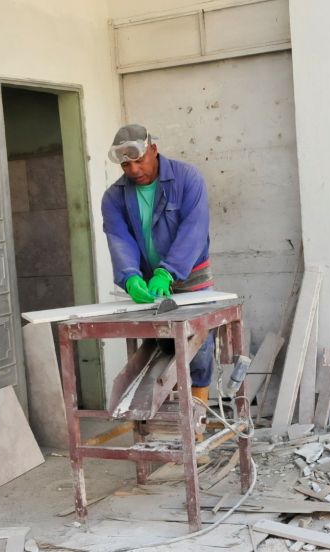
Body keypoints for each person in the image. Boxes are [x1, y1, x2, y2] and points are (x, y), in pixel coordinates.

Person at [101, 124, 214, 415]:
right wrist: (130, 276)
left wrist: (170, 270)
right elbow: (119, 239)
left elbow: (195, 228)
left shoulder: (187, 178)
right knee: (161, 348)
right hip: (149, 280)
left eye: (140, 160)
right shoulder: (114, 198)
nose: (134, 169)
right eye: (127, 164)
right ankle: (171, 412)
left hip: (191, 275)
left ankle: (198, 414)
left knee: (197, 347)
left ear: (153, 149)